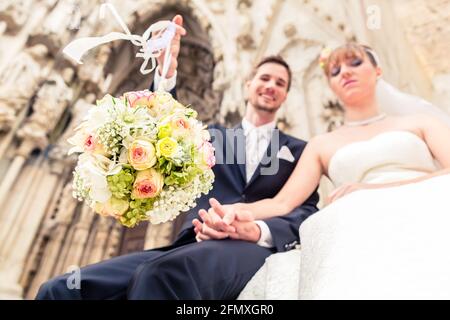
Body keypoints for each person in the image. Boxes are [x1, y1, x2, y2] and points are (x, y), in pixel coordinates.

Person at [35, 15, 319, 300]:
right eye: (265, 78)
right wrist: (166, 72)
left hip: (252, 248)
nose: (271, 86)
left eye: (280, 83)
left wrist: (257, 230)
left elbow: (304, 211)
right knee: (61, 290)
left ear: (285, 96)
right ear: (247, 85)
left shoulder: (298, 149)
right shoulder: (208, 137)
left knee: (158, 277)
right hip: (193, 243)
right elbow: (163, 129)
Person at [205, 43, 450, 299]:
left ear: (377, 71)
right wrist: (233, 211)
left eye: (355, 63)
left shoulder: (419, 123)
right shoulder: (321, 145)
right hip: (358, 222)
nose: (345, 72)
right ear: (330, 85)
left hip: (430, 203)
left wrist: (373, 190)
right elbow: (283, 202)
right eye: (335, 71)